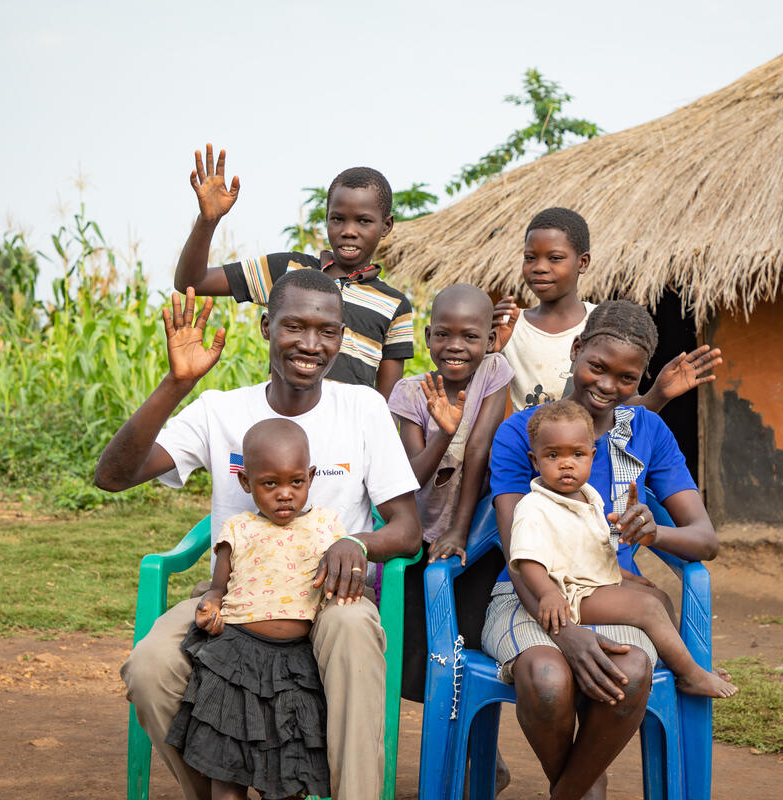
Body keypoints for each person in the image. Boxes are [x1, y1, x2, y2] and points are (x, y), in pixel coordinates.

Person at [95, 269, 421, 800]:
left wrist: (355, 543)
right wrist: (177, 384)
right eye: (294, 326)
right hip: (236, 599)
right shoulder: (220, 410)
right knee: (149, 670)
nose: (311, 344)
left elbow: (408, 530)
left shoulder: (362, 410)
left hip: (328, 593)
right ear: (267, 326)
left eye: (327, 331)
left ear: (342, 337)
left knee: (353, 633)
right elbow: (112, 477)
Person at [481, 300, 723, 800]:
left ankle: (569, 791)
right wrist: (566, 633)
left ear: (641, 379)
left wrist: (654, 531)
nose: (608, 386)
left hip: (608, 591)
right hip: (532, 595)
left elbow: (705, 539)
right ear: (575, 350)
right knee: (547, 678)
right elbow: (516, 552)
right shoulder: (522, 432)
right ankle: (585, 787)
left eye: (627, 378)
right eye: (597, 367)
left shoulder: (647, 431)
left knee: (630, 670)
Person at [166, 418, 344, 800]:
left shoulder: (327, 526)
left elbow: (343, 574)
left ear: (310, 477)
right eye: (270, 484)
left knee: (290, 770)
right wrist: (210, 608)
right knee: (227, 770)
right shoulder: (239, 529)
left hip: (297, 664)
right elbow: (218, 588)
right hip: (236, 659)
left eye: (296, 482)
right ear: (246, 482)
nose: (285, 494)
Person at [510, 399, 737, 699]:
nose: (566, 464)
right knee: (648, 608)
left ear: (592, 456)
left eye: (577, 454)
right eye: (553, 455)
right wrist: (548, 594)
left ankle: (683, 663)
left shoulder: (590, 499)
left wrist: (624, 578)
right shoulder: (533, 506)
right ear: (535, 461)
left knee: (659, 597)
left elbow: (590, 552)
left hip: (593, 585)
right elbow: (528, 560)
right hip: (568, 596)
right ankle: (691, 675)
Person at [172, 143, 413, 398]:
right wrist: (208, 221)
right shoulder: (288, 270)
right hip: (282, 423)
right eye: (338, 219)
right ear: (327, 218)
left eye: (363, 221)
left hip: (347, 435)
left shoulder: (395, 305)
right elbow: (193, 281)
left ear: (386, 225)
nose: (348, 230)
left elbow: (385, 403)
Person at [386, 284, 513, 702]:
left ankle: (479, 748)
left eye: (470, 336)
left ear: (490, 341)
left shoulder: (495, 373)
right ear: (427, 337)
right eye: (443, 334)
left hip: (474, 530)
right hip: (421, 531)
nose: (454, 346)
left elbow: (479, 448)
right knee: (418, 655)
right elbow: (412, 477)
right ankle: (437, 740)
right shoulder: (409, 393)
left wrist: (459, 531)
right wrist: (442, 433)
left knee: (469, 640)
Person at [491, 207, 722, 412]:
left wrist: (657, 395)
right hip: (525, 453)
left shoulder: (604, 323)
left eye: (555, 258)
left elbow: (621, 408)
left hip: (591, 454)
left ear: (583, 262)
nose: (540, 267)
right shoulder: (510, 327)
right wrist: (488, 348)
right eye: (530, 258)